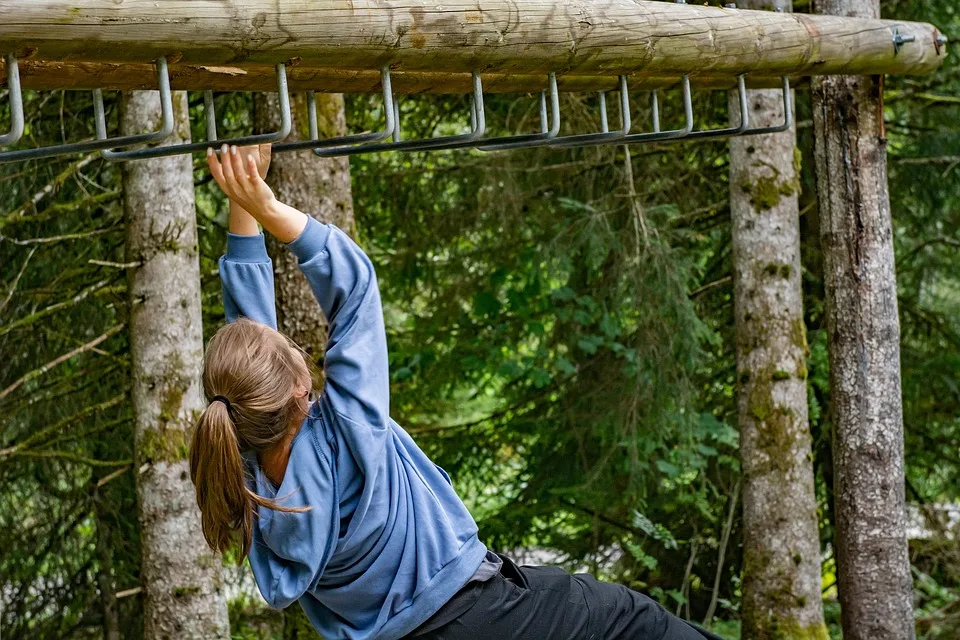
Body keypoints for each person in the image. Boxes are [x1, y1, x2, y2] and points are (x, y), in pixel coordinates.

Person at [190, 143, 725, 640]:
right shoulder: (348, 431)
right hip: (473, 614)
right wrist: (272, 208)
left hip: (419, 627)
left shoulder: (247, 470)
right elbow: (354, 289)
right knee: (636, 624)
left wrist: (245, 199)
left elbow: (249, 349)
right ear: (300, 386)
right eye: (289, 347)